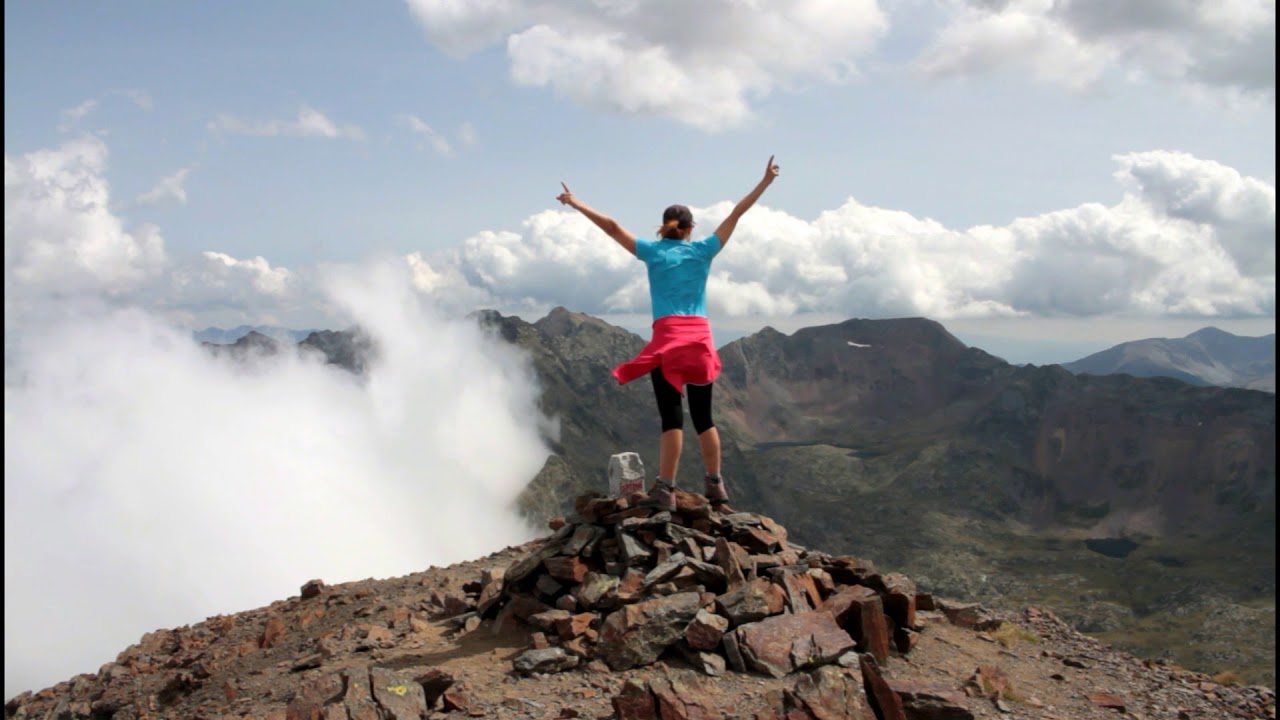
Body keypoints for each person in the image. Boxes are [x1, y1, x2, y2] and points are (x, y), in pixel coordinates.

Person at [557, 156, 781, 510]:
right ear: (691, 227)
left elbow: (613, 227)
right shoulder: (704, 250)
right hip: (701, 340)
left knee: (672, 418)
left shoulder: (652, 252)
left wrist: (576, 203)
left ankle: (666, 488)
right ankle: (716, 485)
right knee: (705, 417)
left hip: (669, 340)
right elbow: (737, 213)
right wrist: (765, 182)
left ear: (664, 226)